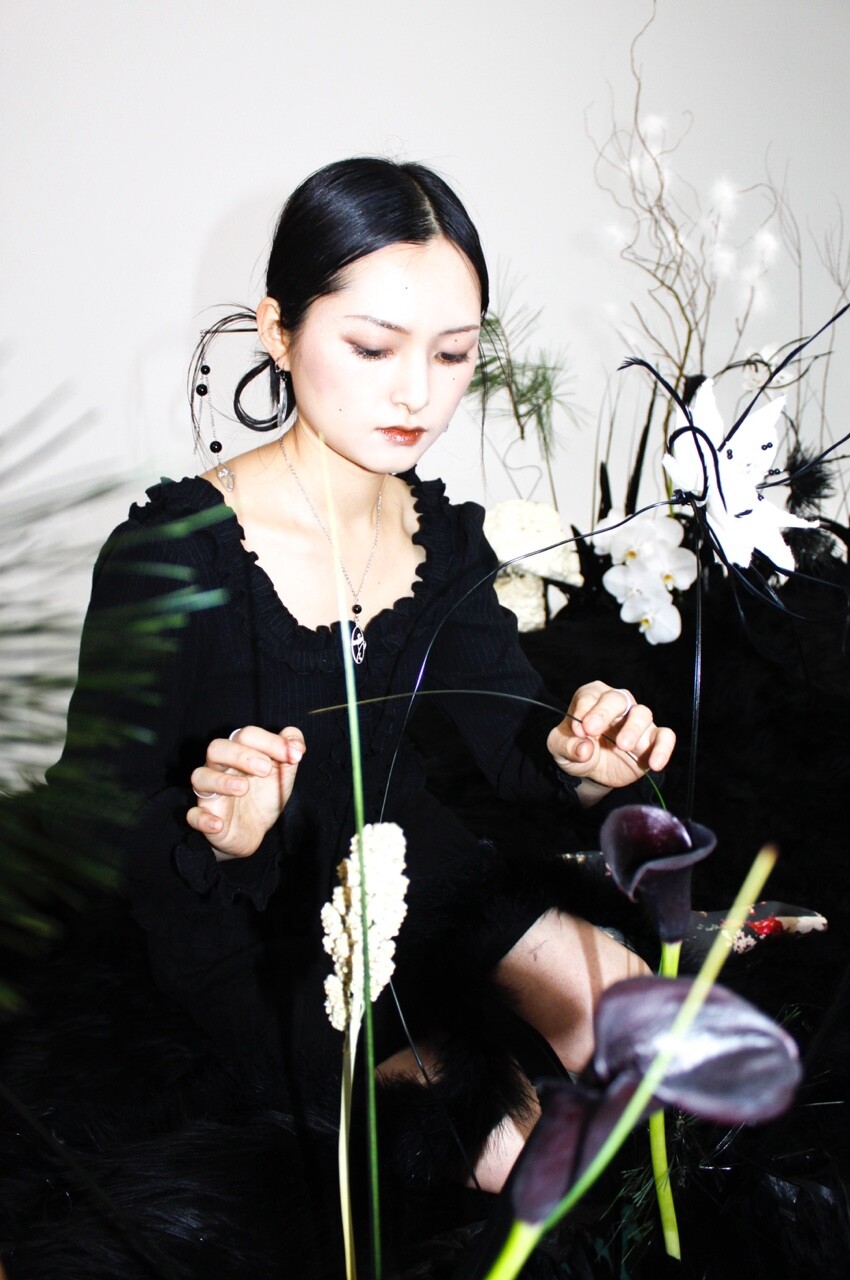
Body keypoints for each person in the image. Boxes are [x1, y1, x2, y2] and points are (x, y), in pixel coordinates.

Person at [47, 158, 674, 1200]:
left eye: (453, 352)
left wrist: (580, 754)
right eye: (374, 347)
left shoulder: (442, 538)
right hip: (251, 926)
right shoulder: (176, 552)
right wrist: (222, 830)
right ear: (278, 328)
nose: (417, 392)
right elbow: (88, 815)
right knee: (497, 1148)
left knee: (649, 1034)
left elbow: (516, 745)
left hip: (417, 871)